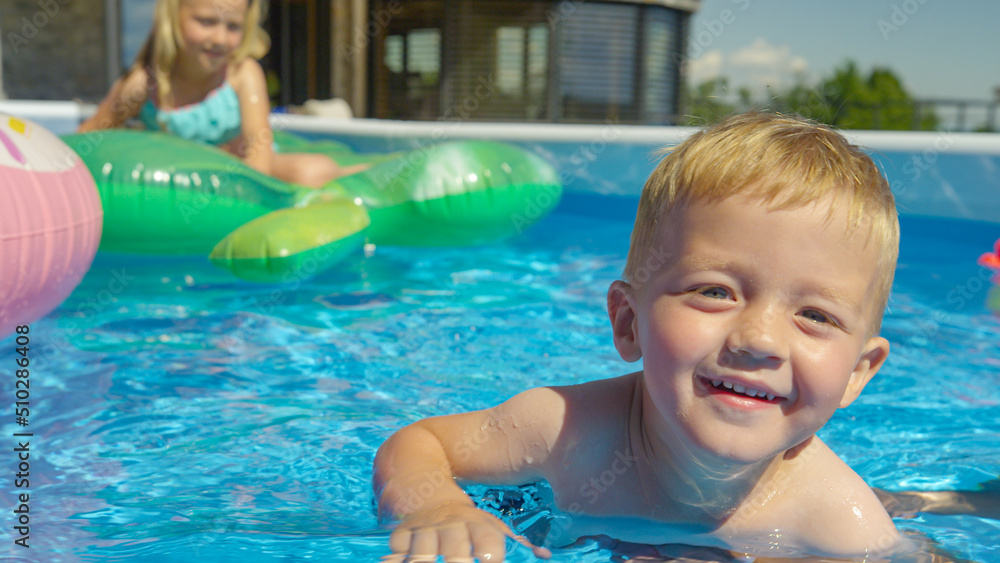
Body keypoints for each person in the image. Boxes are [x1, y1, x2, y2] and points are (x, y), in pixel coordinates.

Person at [373, 112, 909, 562]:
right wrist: (436, 506)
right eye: (716, 292)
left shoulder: (840, 526)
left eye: (816, 315)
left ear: (857, 373)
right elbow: (420, 444)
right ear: (629, 322)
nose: (759, 339)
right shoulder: (564, 432)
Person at [78, 0, 368, 188]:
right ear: (172, 18)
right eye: (206, 22)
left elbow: (258, 144)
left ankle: (366, 173)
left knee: (312, 172)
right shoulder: (144, 84)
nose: (219, 38)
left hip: (238, 168)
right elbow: (91, 135)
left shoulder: (242, 74)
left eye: (233, 27)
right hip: (175, 176)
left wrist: (252, 196)